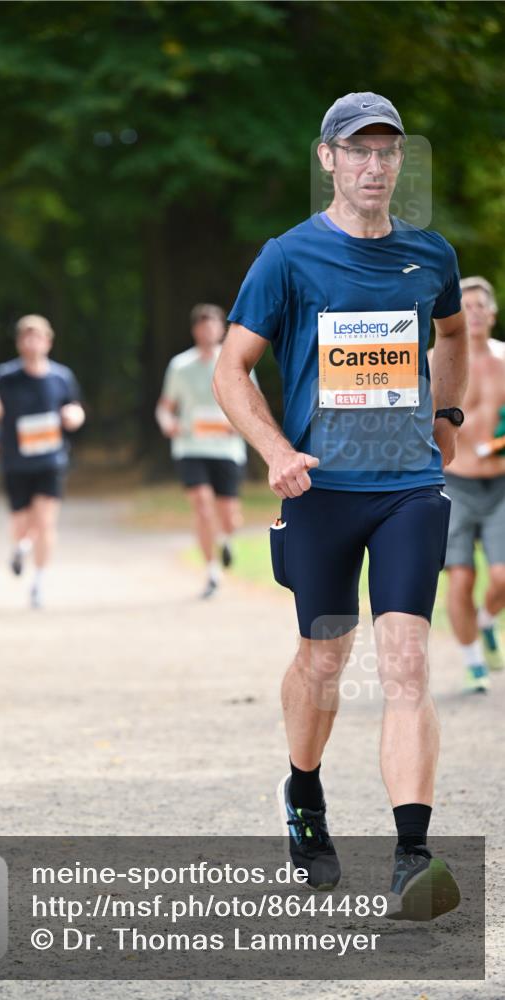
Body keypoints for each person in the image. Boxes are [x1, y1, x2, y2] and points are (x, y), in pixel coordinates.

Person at [213, 92, 466, 919]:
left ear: (399, 162)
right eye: (357, 150)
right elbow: (231, 369)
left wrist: (446, 416)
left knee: (403, 665)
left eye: (386, 151)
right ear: (327, 158)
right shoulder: (286, 259)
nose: (373, 165)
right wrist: (277, 451)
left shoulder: (429, 255)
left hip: (408, 490)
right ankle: (303, 791)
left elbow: (454, 336)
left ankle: (411, 856)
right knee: (324, 660)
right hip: (318, 492)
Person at [432, 276, 505, 691]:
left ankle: (486, 621)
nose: (474, 312)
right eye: (466, 305)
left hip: (500, 485)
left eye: (481, 305)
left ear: (492, 312)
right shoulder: (431, 360)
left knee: (502, 578)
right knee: (460, 578)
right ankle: (473, 661)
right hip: (453, 483)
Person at [0, 314, 84, 609]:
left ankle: (39, 581)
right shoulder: (5, 377)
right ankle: (21, 547)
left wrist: (74, 417)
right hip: (15, 461)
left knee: (45, 521)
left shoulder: (61, 377)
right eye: (26, 337)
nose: (32, 342)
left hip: (51, 459)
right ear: (19, 343)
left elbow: (75, 407)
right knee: (21, 522)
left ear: (48, 341)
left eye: (38, 336)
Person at [156, 304, 248, 599]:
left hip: (226, 449)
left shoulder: (235, 361)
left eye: (213, 325)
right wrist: (168, 423)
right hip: (190, 446)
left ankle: (227, 540)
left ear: (222, 329)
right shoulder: (180, 365)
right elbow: (165, 407)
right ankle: (211, 571)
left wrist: (240, 423)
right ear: (195, 330)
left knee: (228, 514)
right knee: (201, 504)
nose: (208, 331)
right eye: (202, 326)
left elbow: (249, 402)